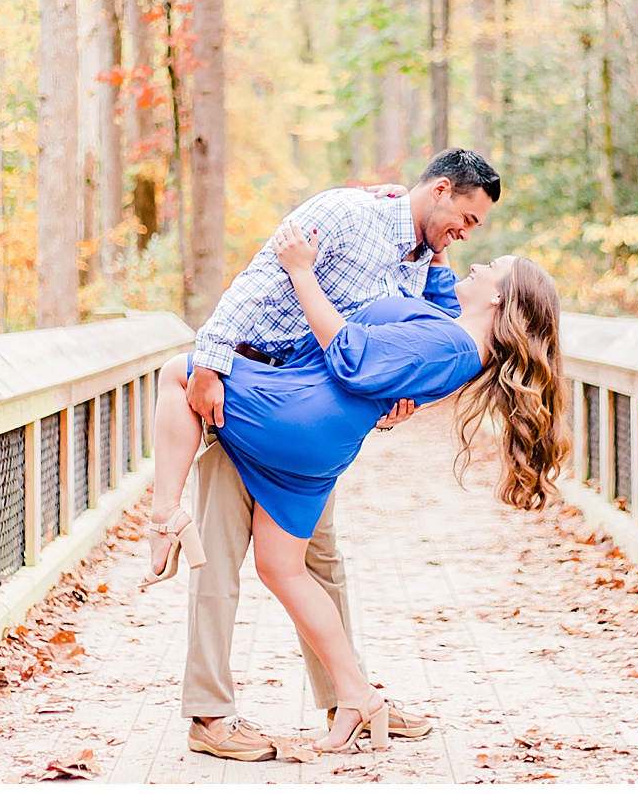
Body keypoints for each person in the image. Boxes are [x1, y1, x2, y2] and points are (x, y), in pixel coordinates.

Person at [148, 230, 569, 752]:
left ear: (500, 296)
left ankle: (163, 516)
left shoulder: (451, 343)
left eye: (490, 267)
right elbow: (431, 308)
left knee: (178, 374)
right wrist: (435, 250)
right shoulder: (462, 339)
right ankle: (357, 697)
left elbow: (352, 358)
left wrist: (302, 270)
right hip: (321, 445)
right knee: (283, 569)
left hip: (298, 415)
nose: (476, 266)